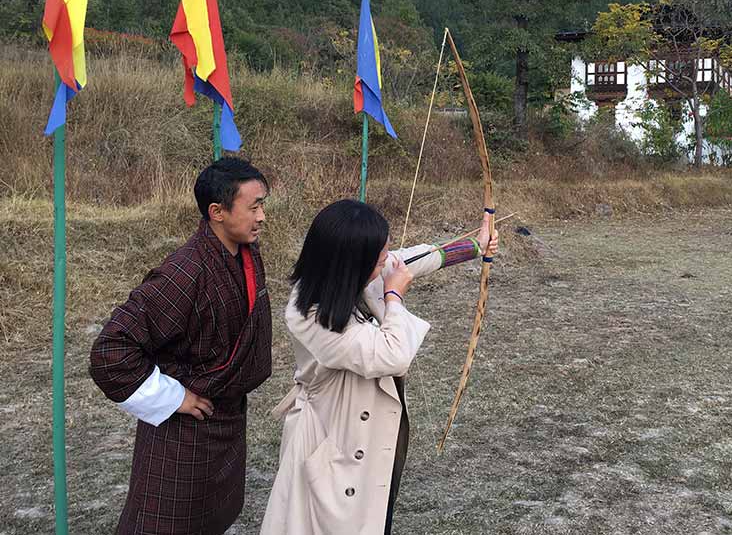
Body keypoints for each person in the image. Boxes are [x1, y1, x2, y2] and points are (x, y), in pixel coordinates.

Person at [260, 199, 499, 535]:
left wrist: (475, 245)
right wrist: (393, 297)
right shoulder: (308, 314)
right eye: (379, 257)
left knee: (375, 514)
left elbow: (414, 258)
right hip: (333, 437)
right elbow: (393, 354)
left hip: (370, 433)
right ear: (350, 263)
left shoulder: (350, 275)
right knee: (331, 522)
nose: (386, 261)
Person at [90, 157, 273, 534]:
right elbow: (111, 352)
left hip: (224, 419)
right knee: (165, 523)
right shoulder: (185, 271)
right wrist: (174, 397)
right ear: (217, 212)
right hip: (183, 432)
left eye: (262, 204)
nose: (262, 216)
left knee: (211, 519)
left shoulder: (246, 254)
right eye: (253, 206)